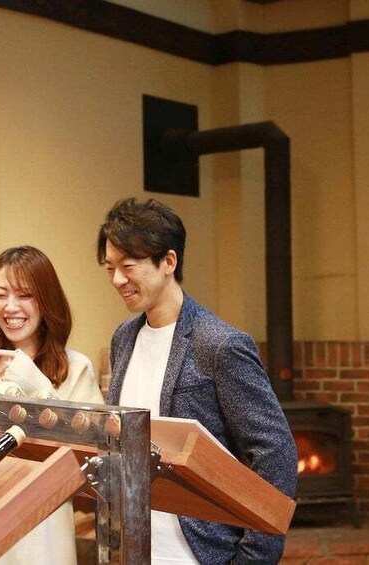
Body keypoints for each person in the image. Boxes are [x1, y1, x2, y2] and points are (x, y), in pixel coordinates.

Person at [96, 197, 297, 564]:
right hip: (131, 546)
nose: (117, 279)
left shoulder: (219, 344)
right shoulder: (123, 338)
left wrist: (252, 559)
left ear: (168, 262)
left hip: (200, 553)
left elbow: (275, 452)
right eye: (110, 268)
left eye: (128, 266)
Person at [0, 245, 103, 565]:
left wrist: (39, 387)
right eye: (1, 295)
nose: (11, 307)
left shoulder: (75, 368)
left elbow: (92, 455)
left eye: (25, 295)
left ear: (46, 300)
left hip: (42, 523)